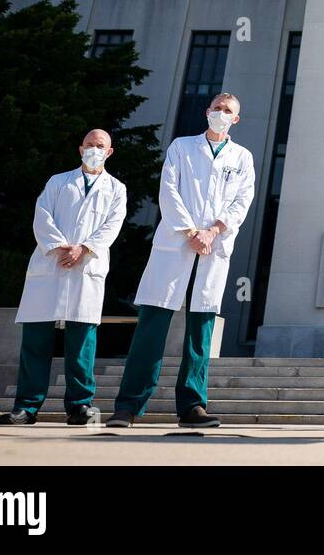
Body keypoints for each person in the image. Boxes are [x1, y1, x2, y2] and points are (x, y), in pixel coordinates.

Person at [107, 93, 255, 428]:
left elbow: (242, 202)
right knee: (152, 327)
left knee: (200, 332)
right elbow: (168, 191)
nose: (221, 113)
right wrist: (191, 231)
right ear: (207, 112)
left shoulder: (242, 157)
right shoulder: (182, 147)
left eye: (228, 111)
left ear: (236, 120)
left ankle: (192, 406)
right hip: (176, 243)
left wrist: (213, 231)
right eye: (216, 108)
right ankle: (128, 405)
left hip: (213, 248)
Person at [0, 129, 126, 425]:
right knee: (36, 339)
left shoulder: (116, 188)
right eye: (90, 145)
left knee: (81, 341)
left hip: (87, 268)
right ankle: (26, 406)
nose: (94, 149)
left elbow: (112, 225)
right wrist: (60, 247)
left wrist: (84, 249)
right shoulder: (58, 182)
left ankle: (80, 405)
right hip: (51, 265)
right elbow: (42, 216)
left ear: (109, 152)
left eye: (100, 146)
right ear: (81, 149)